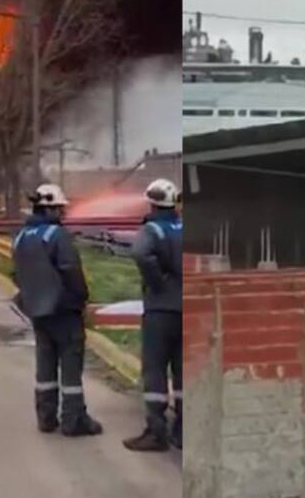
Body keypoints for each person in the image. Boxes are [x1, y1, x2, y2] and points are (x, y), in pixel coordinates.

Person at [11, 183, 102, 437]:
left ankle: (46, 417)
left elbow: (17, 274)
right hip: (63, 311)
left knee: (45, 365)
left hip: (37, 312)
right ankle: (74, 420)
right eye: (59, 209)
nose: (62, 214)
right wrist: (81, 298)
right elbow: (70, 270)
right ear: (49, 208)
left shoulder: (21, 237)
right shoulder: (57, 236)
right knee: (71, 366)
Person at [123, 178, 184, 452]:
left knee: (155, 369)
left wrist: (157, 282)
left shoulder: (152, 229)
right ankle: (182, 431)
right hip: (185, 308)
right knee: (182, 369)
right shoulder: (183, 227)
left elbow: (140, 254)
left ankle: (156, 432)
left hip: (160, 310)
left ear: (152, 202)